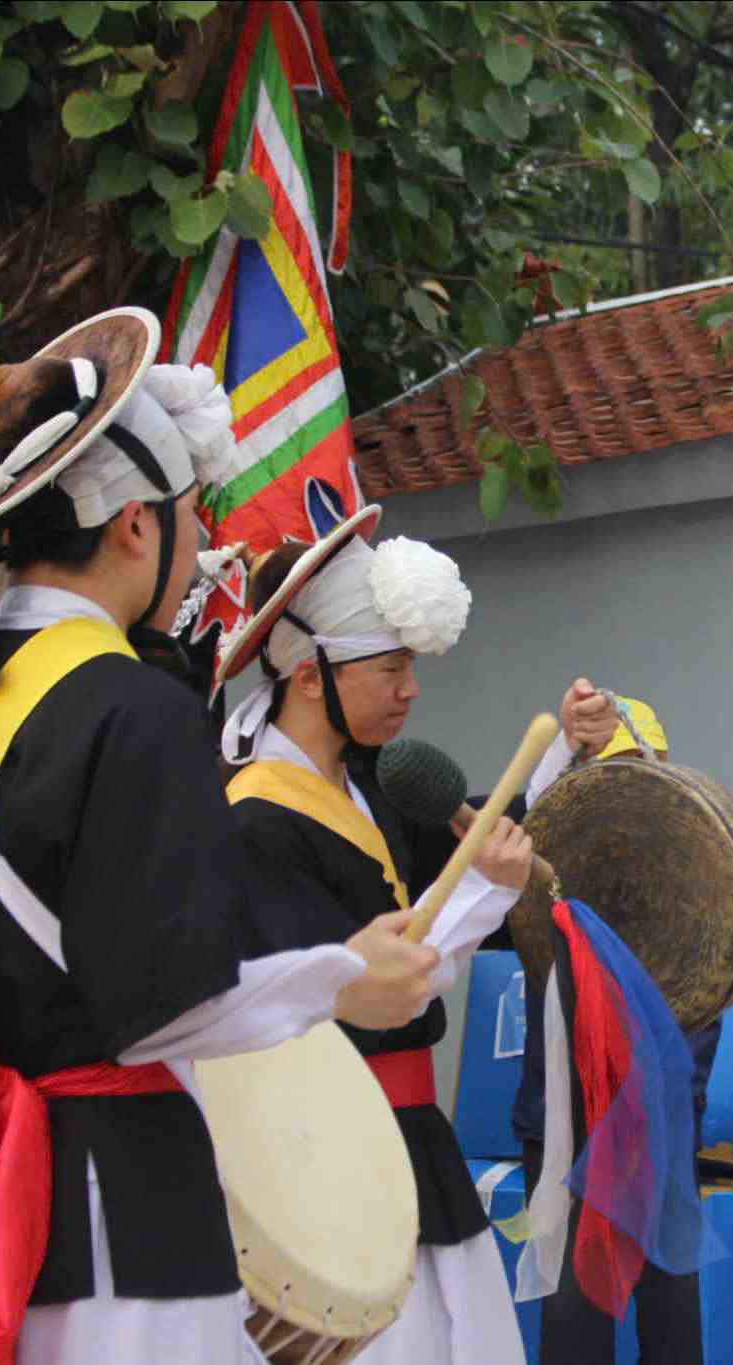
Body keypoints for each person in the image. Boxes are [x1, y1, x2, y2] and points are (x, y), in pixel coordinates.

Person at [0, 310, 441, 1363]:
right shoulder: (137, 711)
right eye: (188, 514)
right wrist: (340, 978)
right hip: (128, 1233)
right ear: (136, 526)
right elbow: (169, 1008)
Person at [212, 508, 538, 1361]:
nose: (411, 688)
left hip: (414, 1138)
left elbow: (457, 890)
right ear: (312, 675)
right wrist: (478, 893)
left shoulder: (373, 790)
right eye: (390, 666)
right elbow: (356, 1001)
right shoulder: (257, 821)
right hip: (331, 1157)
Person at [510, 689, 726, 1365]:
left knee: (667, 1302)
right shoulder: (547, 867)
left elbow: (707, 988)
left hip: (654, 1117)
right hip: (567, 1117)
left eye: (645, 769)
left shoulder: (697, 876)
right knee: (576, 1301)